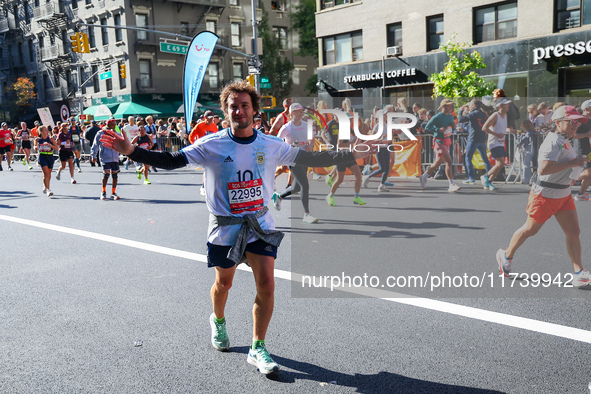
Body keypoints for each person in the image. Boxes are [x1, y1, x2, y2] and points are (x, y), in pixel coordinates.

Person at [100, 79, 375, 375]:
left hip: (260, 226)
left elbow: (311, 157)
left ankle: (258, 347)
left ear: (254, 110)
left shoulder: (271, 145)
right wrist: (131, 150)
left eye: (245, 105)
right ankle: (217, 320)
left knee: (267, 285)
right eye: (233, 106)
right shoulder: (211, 145)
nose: (239, 110)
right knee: (224, 284)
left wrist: (351, 154)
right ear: (226, 111)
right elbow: (169, 160)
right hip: (226, 229)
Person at [496, 105, 591, 288]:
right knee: (530, 229)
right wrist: (572, 163)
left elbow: (563, 166)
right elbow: (544, 169)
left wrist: (577, 165)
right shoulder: (552, 141)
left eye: (578, 122)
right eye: (572, 122)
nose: (576, 125)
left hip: (563, 193)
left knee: (573, 232)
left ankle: (579, 272)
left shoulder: (565, 139)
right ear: (558, 122)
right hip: (545, 194)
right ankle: (506, 255)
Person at [272, 103, 319, 223]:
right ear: (292, 113)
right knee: (305, 184)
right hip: (292, 159)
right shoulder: (286, 128)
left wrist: (310, 145)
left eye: (302, 110)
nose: (301, 113)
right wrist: (286, 150)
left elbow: (311, 139)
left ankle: (279, 196)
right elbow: (277, 142)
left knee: (297, 187)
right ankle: (307, 214)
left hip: (304, 158)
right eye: (298, 111)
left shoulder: (306, 125)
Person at [324, 113, 367, 207]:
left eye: (351, 119)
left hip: (349, 155)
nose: (351, 121)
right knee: (340, 179)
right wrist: (352, 144)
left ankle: (356, 197)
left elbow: (356, 140)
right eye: (349, 119)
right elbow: (339, 145)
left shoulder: (350, 129)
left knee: (358, 175)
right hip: (342, 155)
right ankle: (330, 195)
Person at [419, 99, 461, 192]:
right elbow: (427, 127)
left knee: (437, 163)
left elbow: (451, 128)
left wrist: (455, 126)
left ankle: (424, 176)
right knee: (449, 161)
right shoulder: (437, 117)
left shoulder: (450, 117)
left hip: (447, 141)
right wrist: (438, 129)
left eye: (451, 106)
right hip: (438, 141)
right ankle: (451, 184)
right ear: (443, 106)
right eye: (449, 106)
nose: (451, 107)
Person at [458, 99, 492, 184]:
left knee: (468, 158)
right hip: (482, 138)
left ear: (473, 106)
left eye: (470, 105)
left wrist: (460, 111)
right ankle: (490, 176)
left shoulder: (473, 114)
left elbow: (461, 119)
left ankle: (471, 178)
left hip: (473, 138)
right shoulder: (484, 114)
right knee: (485, 159)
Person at [480, 98, 511, 190]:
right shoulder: (495, 115)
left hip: (501, 142)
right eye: (506, 104)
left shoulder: (505, 115)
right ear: (500, 106)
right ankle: (485, 176)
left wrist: (509, 130)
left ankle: (489, 182)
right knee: (500, 163)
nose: (508, 106)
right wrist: (496, 134)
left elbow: (502, 128)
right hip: (494, 142)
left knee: (500, 164)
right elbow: (484, 128)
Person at [92, 119, 122, 200]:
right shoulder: (100, 133)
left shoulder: (116, 134)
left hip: (115, 157)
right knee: (106, 174)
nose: (114, 126)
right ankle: (103, 191)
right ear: (108, 125)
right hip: (105, 157)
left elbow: (122, 143)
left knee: (115, 175)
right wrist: (93, 155)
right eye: (112, 125)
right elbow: (95, 144)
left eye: (115, 125)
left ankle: (113, 192)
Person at [572, 99, 591, 201]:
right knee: (588, 173)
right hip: (582, 150)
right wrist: (586, 134)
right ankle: (567, 178)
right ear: (587, 109)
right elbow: (573, 135)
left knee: (589, 175)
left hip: (590, 149)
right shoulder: (581, 120)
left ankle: (581, 194)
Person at [35, 125, 59, 197]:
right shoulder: (38, 139)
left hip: (50, 157)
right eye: (45, 130)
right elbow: (35, 146)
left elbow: (57, 148)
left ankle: (45, 185)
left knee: (48, 174)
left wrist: (49, 145)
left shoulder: (51, 139)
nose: (47, 131)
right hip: (42, 156)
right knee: (46, 173)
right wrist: (35, 147)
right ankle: (48, 190)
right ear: (41, 132)